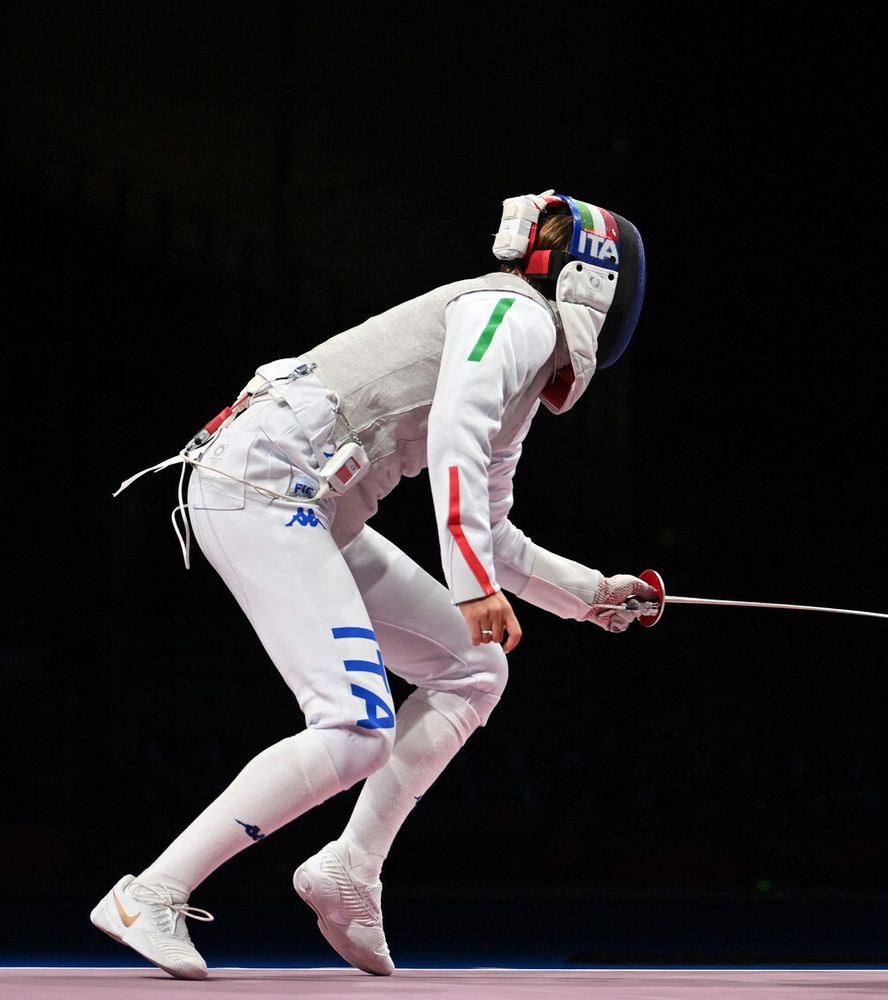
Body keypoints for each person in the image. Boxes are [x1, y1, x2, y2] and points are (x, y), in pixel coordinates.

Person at [92, 191, 660, 979]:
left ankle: (350, 869)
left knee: (473, 668)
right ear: (595, 283)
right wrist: (471, 586)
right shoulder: (513, 315)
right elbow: (456, 439)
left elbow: (493, 528)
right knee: (357, 724)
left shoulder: (521, 361)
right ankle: (151, 894)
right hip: (261, 488)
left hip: (306, 506)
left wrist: (591, 594)